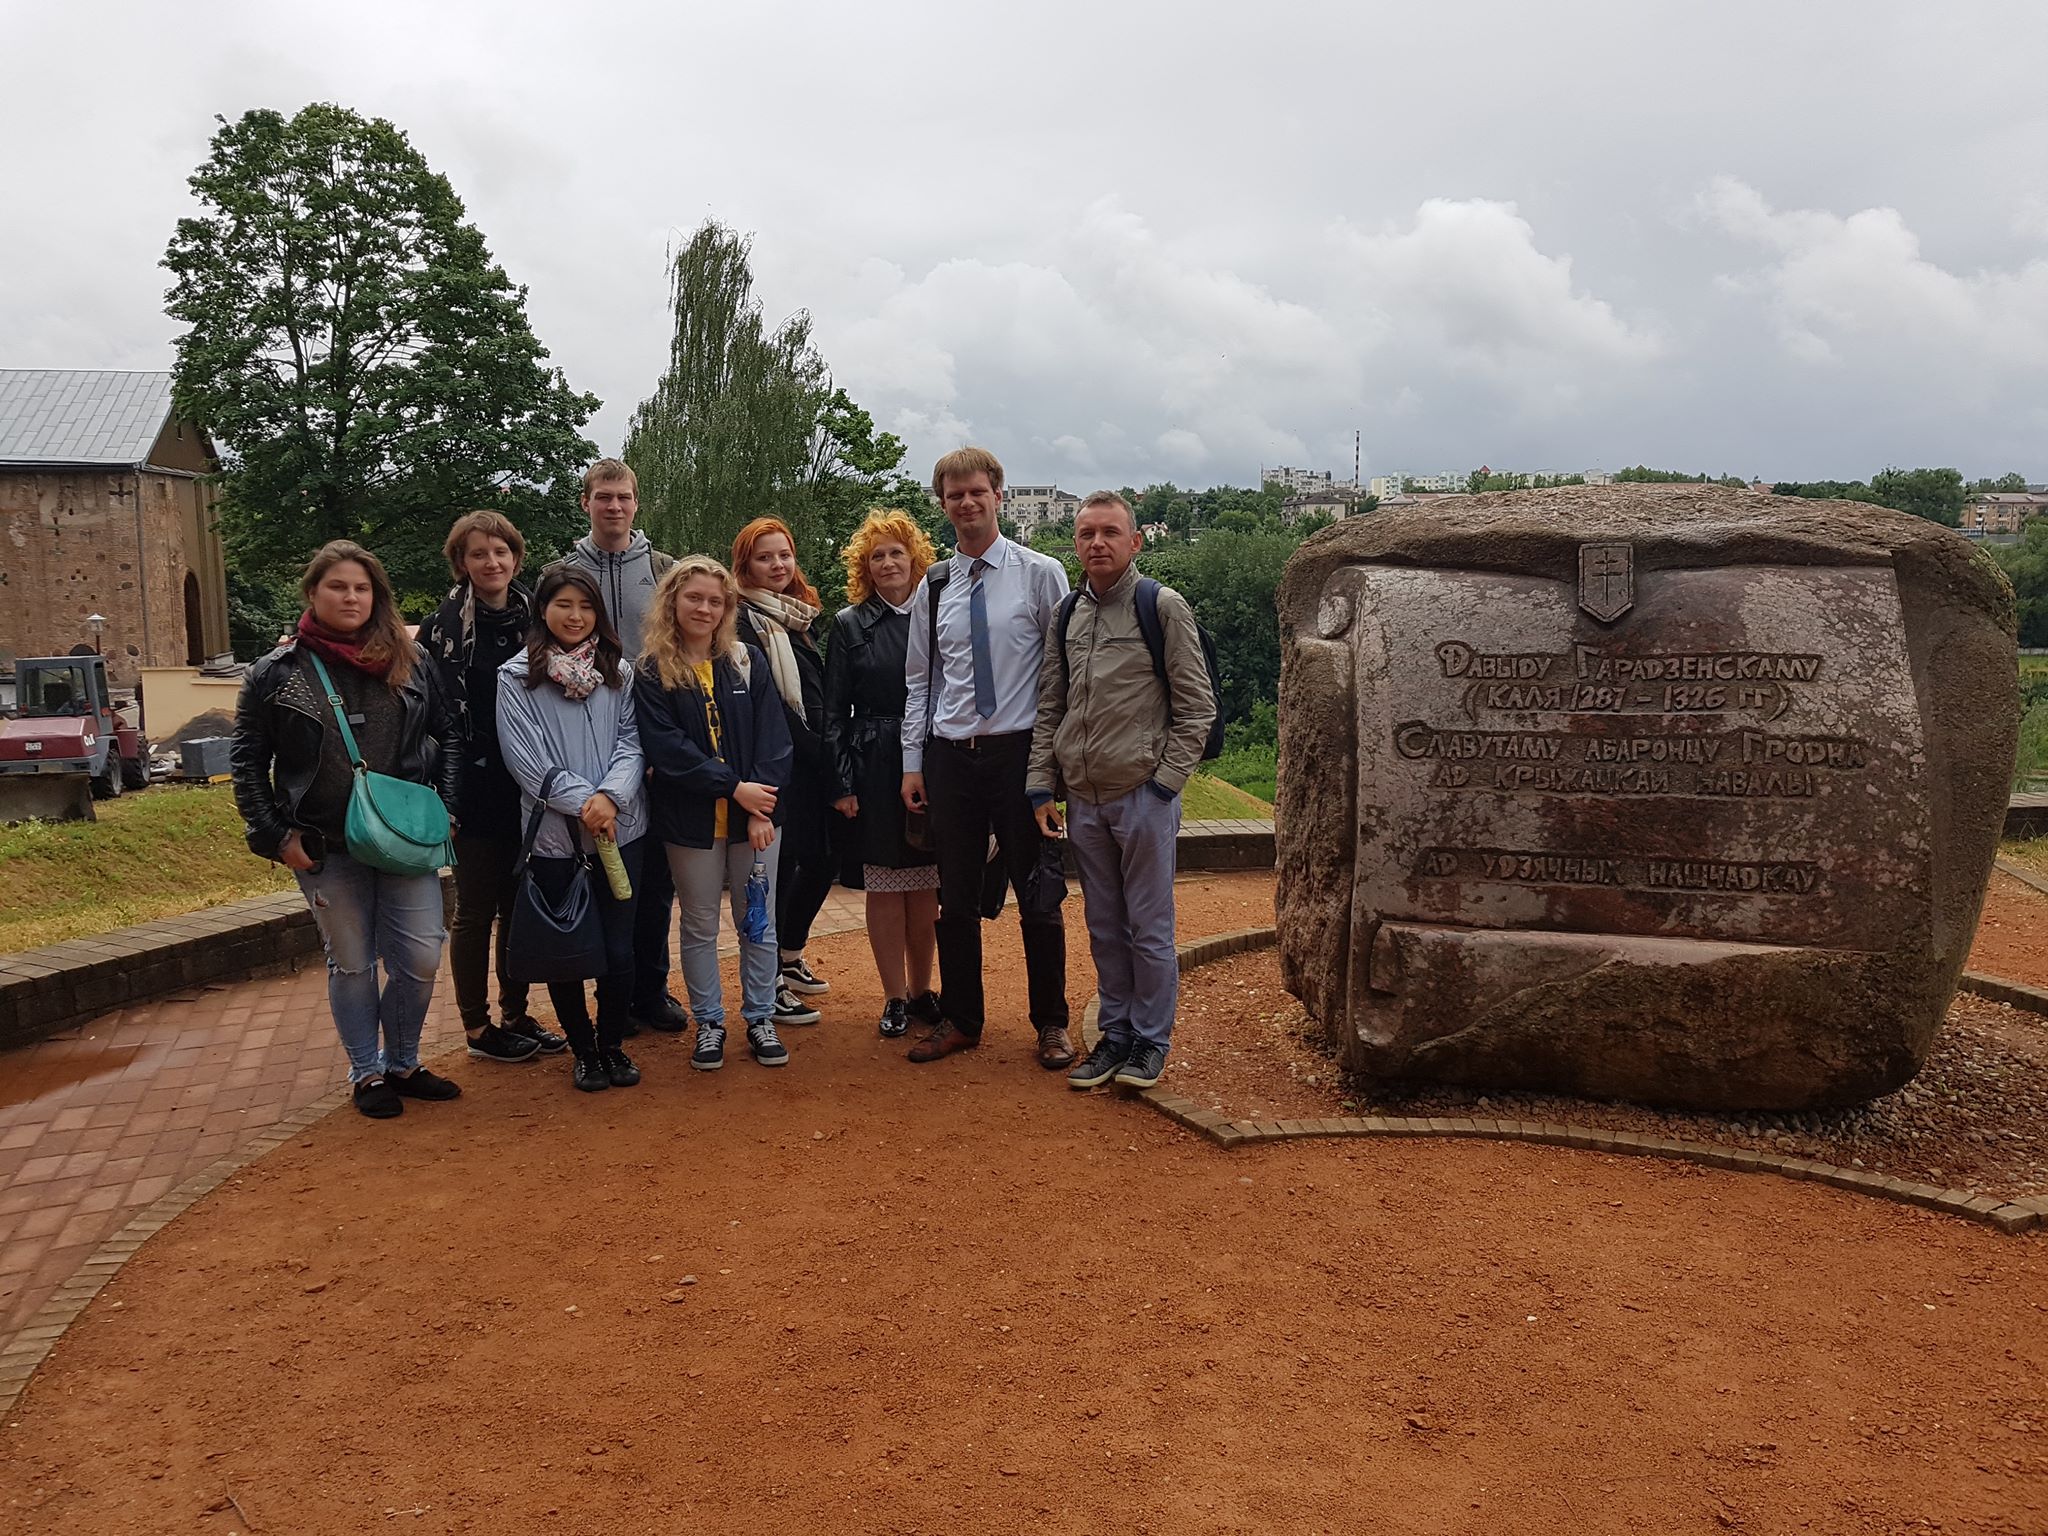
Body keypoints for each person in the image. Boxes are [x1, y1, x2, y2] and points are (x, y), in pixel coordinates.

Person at [231, 540, 462, 1120]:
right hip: (324, 843)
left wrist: (449, 810)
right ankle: (367, 1071)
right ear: (313, 593)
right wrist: (275, 835)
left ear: (377, 596)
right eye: (338, 586)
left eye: (362, 588)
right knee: (353, 961)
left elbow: (451, 735)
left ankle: (404, 1060)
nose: (351, 597)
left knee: (421, 956)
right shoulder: (276, 674)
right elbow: (246, 761)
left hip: (405, 837)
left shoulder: (412, 661)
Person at [1029, 492, 1216, 1090]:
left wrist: (1164, 785)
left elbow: (1197, 708)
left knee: (1150, 927)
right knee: (1105, 926)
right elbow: (1050, 704)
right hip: (1085, 799)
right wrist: (1040, 786)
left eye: (1110, 533)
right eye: (1087, 534)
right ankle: (1116, 1035)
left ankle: (1150, 1043)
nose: (1097, 544)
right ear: (1076, 543)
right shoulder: (1066, 614)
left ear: (1135, 541)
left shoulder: (1159, 606)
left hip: (1142, 796)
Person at [901, 447, 1073, 1068]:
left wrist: (1053, 769)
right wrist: (911, 765)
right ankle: (962, 1019)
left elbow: (1064, 674)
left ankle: (1051, 1023)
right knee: (956, 897)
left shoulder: (1040, 573)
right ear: (942, 503)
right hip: (951, 756)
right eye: (954, 495)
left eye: (977, 492)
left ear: (998, 495)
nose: (967, 504)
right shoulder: (935, 583)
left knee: (1038, 892)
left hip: (1022, 755)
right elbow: (921, 680)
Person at [414, 509, 567, 1065]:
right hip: (475, 786)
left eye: (500, 551)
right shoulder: (441, 630)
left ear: (516, 557)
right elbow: (434, 715)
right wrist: (445, 793)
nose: (491, 562)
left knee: (519, 907)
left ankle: (516, 1012)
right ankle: (477, 1027)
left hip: (531, 781)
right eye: (478, 553)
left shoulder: (539, 618)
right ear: (462, 563)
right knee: (475, 910)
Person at [634, 557, 795, 1070]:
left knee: (758, 922)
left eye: (715, 600)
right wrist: (735, 789)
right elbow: (668, 749)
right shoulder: (653, 669)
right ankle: (709, 1022)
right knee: (700, 924)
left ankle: (761, 1016)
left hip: (758, 820)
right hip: (691, 820)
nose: (704, 608)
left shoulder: (746, 660)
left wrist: (758, 805)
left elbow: (775, 737)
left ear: (727, 608)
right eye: (694, 598)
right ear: (673, 602)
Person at [495, 566, 648, 1093]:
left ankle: (612, 1046)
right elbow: (527, 763)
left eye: (585, 606)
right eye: (563, 604)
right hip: (555, 841)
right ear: (543, 610)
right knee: (567, 951)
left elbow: (632, 741)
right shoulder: (515, 678)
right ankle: (583, 1050)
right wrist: (588, 803)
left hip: (622, 832)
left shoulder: (619, 672)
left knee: (619, 948)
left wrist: (612, 798)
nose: (575, 616)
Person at [552, 457, 687, 1037]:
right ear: (586, 502)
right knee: (590, 883)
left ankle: (647, 991)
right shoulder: (561, 572)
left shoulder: (663, 569)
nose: (614, 506)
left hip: (651, 741)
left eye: (624, 497)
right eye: (603, 496)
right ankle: (606, 997)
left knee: (653, 883)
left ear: (637, 502)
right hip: (580, 748)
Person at [823, 510, 942, 1038]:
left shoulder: (939, 613)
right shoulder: (849, 625)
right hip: (873, 765)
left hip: (933, 761)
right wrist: (843, 784)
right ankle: (894, 996)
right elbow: (832, 713)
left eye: (897, 552)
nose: (888, 562)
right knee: (884, 887)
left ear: (915, 559)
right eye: (877, 556)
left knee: (925, 887)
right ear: (864, 568)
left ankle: (923, 991)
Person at [732, 516, 831, 1029]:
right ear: (745, 563)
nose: (776, 565)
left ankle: (788, 959)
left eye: (783, 555)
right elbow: (766, 705)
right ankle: (767, 983)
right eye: (764, 557)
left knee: (817, 860)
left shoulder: (795, 616)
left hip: (808, 766)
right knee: (772, 877)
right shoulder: (743, 619)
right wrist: (820, 750)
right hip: (776, 768)